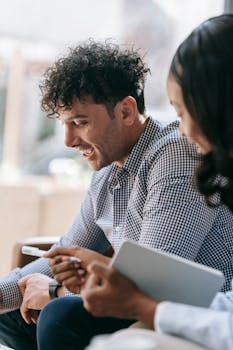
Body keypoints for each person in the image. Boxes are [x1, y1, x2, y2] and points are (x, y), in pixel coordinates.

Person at [0, 39, 232, 350]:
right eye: (64, 125)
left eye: (80, 123)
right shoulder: (107, 172)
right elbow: (67, 248)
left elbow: (152, 282)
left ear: (125, 111)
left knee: (59, 315)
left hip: (185, 306)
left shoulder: (176, 154)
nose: (68, 140)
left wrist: (55, 290)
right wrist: (6, 294)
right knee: (9, 313)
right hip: (132, 297)